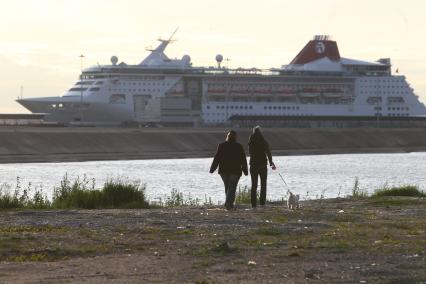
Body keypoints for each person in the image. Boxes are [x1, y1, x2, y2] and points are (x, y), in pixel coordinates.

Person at [210, 130, 248, 210]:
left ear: (227, 136)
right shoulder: (239, 146)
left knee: (228, 187)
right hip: (235, 170)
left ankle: (229, 204)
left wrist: (212, 169)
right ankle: (229, 204)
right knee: (232, 187)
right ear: (236, 137)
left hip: (224, 170)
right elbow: (243, 160)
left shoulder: (221, 145)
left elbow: (217, 158)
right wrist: (245, 171)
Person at [248, 126, 275, 208]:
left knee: (254, 185)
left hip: (253, 165)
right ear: (260, 132)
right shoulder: (263, 141)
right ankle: (262, 203)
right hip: (262, 164)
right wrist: (271, 163)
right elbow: (268, 152)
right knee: (263, 184)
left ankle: (253, 204)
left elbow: (250, 153)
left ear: (253, 132)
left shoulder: (251, 141)